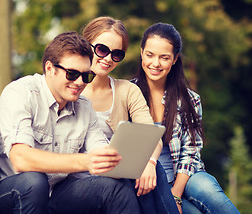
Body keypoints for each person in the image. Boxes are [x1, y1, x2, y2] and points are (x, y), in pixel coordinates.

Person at [0, 31, 142, 214]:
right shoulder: (21, 93)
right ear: (50, 68)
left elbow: (98, 150)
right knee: (34, 182)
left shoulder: (84, 107)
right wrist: (85, 161)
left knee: (116, 187)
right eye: (72, 74)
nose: (79, 82)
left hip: (57, 193)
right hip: (14, 191)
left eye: (86, 76)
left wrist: (112, 160)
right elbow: (20, 159)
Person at [132, 22, 240, 214]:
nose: (155, 63)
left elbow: (190, 152)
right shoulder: (128, 93)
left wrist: (175, 194)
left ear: (174, 59)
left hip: (186, 174)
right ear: (141, 53)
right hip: (151, 179)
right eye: (150, 55)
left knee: (211, 193)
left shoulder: (190, 99)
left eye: (164, 57)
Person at [75, 16, 179, 214]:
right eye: (102, 49)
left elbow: (152, 135)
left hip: (118, 172)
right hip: (82, 178)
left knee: (151, 169)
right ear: (85, 44)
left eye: (116, 54)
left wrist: (149, 162)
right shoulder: (71, 88)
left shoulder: (127, 90)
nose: (107, 59)